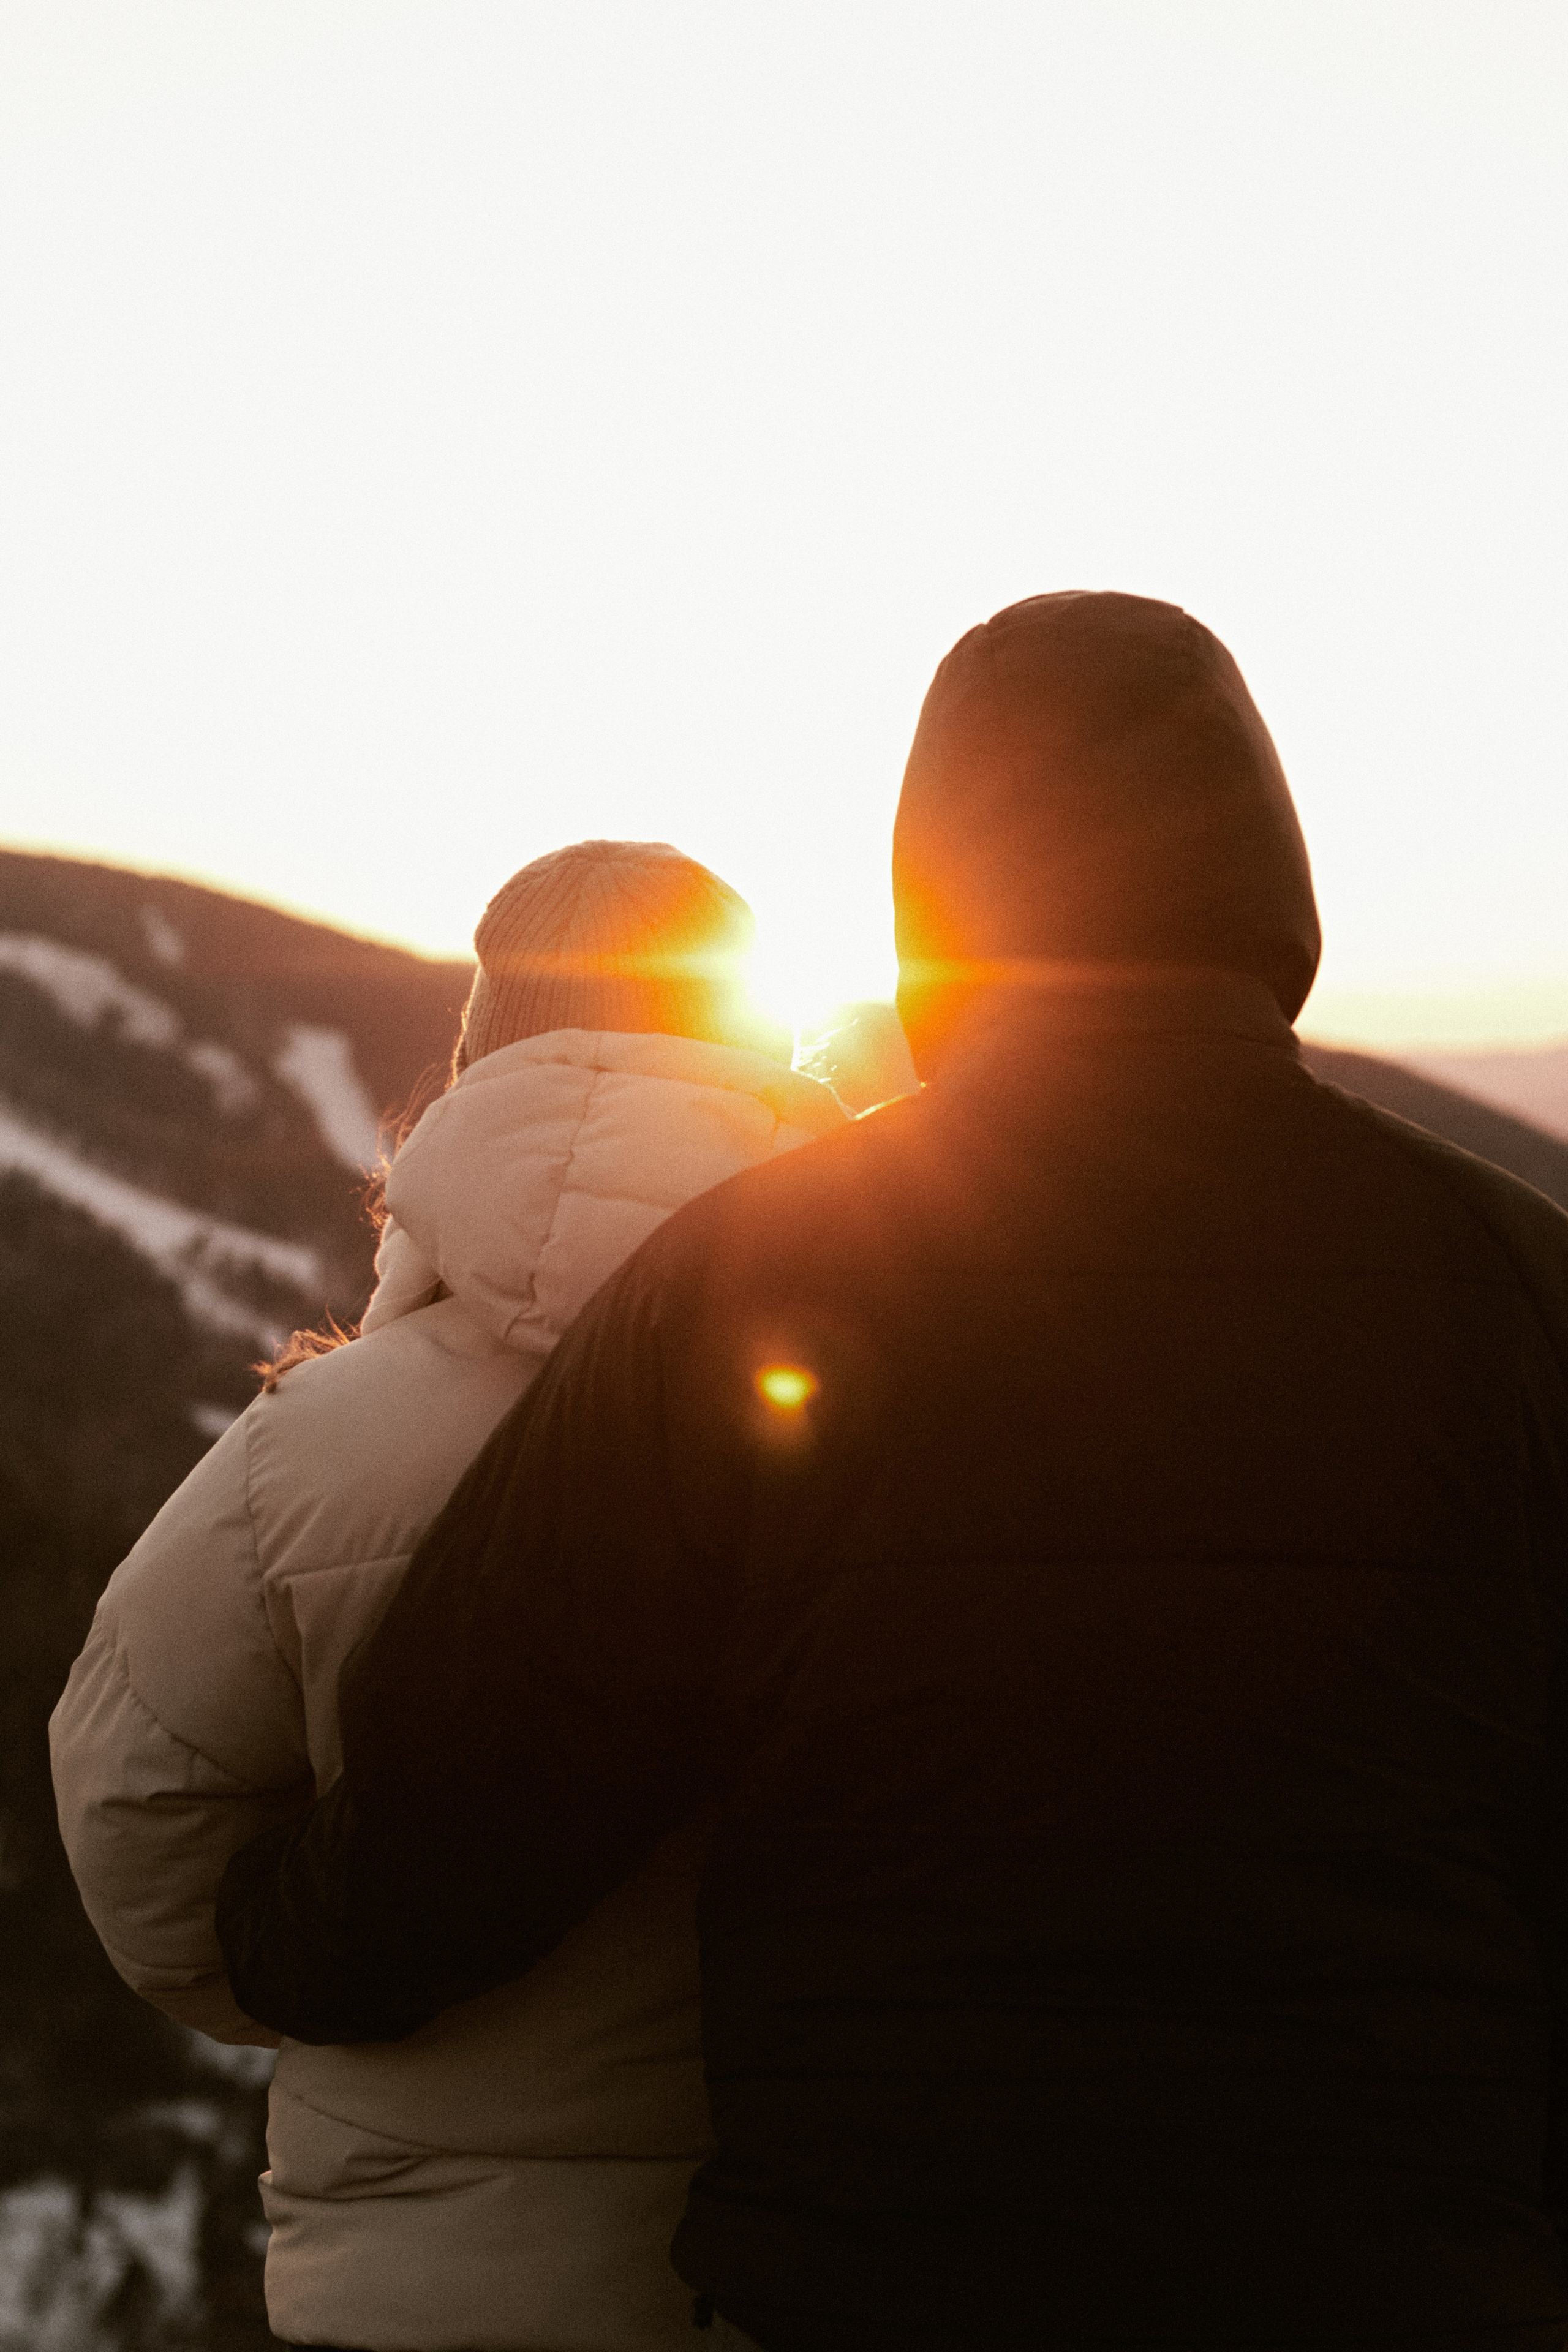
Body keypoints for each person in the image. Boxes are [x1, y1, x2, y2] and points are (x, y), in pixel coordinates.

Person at [217, 594, 1568, 2352]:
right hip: (1406, 2282)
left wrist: (269, 1931)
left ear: (938, 907)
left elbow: (466, 1805)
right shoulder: (1517, 1288)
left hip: (887, 2278)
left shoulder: (742, 1279)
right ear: (1274, 885)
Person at [49, 838, 846, 2352]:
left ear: (479, 1051)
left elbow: (134, 1825)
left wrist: (340, 1957)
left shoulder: (307, 1453)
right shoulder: (904, 1399)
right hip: (807, 2257)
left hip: (420, 2285)